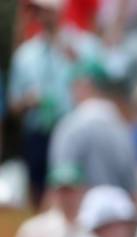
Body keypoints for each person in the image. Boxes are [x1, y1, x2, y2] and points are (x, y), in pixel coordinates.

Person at [7, 0, 99, 206]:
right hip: (38, 134)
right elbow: (13, 105)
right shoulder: (25, 55)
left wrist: (78, 62)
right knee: (38, 194)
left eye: (44, 10)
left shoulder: (83, 46)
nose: (40, 15)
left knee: (72, 193)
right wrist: (27, 101)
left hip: (73, 132)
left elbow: (104, 83)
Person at [48, 61, 137, 194]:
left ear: (84, 86)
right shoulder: (121, 125)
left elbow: (61, 180)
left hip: (81, 211)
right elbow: (132, 181)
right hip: (118, 210)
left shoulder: (71, 124)